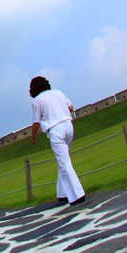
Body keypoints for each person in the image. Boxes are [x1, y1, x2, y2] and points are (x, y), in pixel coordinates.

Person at [29, 75, 85, 206]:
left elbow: (36, 122)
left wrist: (33, 137)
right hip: (68, 125)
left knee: (64, 162)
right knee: (63, 160)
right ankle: (62, 193)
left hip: (55, 130)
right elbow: (70, 108)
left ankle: (77, 195)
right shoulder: (58, 92)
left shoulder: (37, 101)